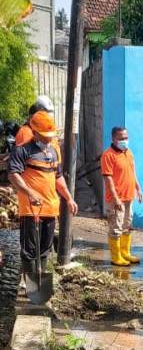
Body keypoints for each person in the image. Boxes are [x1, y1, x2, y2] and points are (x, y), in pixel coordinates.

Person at [8, 111, 78, 278]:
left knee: (45, 248)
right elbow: (13, 175)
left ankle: (40, 277)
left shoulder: (53, 150)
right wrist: (29, 192)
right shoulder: (22, 151)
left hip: (50, 207)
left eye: (50, 135)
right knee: (29, 249)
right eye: (45, 135)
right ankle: (29, 282)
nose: (49, 138)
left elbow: (58, 176)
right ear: (35, 132)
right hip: (31, 209)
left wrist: (68, 198)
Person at [101, 127, 143, 266]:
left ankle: (125, 253)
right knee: (116, 227)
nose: (124, 140)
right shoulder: (108, 155)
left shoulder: (128, 153)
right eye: (121, 138)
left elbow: (132, 172)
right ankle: (116, 256)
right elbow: (108, 179)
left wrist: (138, 188)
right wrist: (115, 198)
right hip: (116, 199)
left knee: (127, 225)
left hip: (129, 196)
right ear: (113, 139)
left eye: (126, 137)